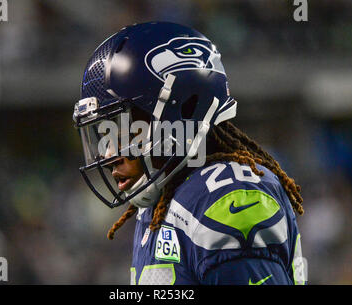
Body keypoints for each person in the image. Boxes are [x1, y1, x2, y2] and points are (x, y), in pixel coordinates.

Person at [73, 22, 306, 285]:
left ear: (184, 109)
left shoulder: (226, 199)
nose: (108, 155)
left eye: (125, 132)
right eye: (105, 136)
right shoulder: (162, 199)